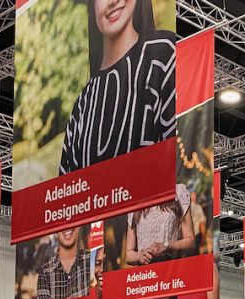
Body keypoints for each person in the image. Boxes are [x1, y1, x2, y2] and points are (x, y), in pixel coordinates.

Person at [58, 0, 176, 175]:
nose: (113, 2)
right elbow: (68, 193)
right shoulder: (83, 104)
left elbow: (180, 160)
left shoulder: (163, 54)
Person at [126, 184, 195, 265]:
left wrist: (166, 245)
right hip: (145, 273)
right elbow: (128, 254)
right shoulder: (135, 198)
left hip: (171, 269)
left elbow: (191, 241)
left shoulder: (178, 190)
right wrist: (139, 256)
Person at [36, 227, 89, 299]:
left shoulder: (91, 261)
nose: (68, 227)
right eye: (62, 223)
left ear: (79, 226)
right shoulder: (45, 272)